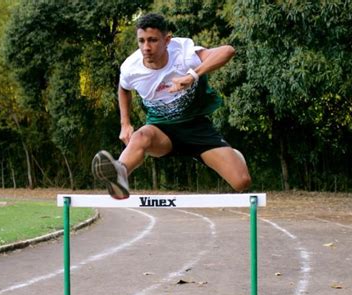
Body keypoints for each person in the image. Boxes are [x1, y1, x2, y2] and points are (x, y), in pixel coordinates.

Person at [92, 13, 251, 200]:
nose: (146, 47)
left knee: (242, 182)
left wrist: (192, 75)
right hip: (161, 130)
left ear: (167, 40)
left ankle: (234, 155)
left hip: (196, 127)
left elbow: (228, 51)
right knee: (141, 136)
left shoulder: (183, 53)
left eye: (152, 40)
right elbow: (123, 88)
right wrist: (125, 123)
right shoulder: (131, 68)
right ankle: (120, 172)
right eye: (141, 41)